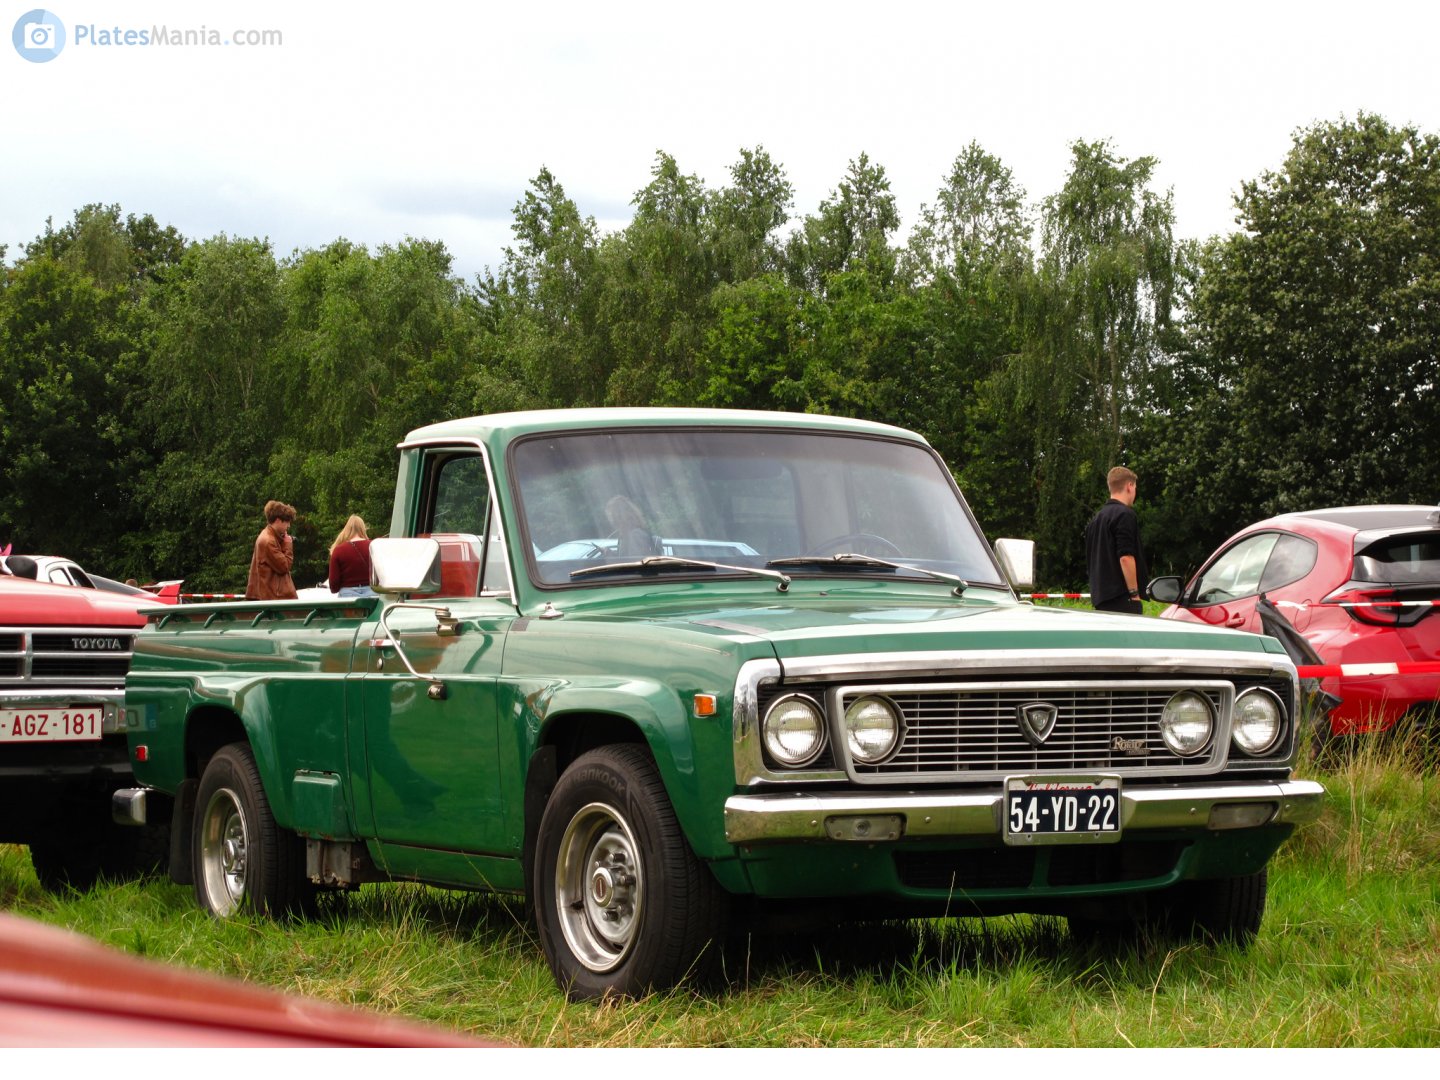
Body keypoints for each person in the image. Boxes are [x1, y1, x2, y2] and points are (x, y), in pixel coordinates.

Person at [1084, 466, 1148, 614]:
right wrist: (1134, 594)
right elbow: (1125, 557)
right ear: (1130, 486)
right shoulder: (1125, 515)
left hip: (1101, 600)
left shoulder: (1095, 521)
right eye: (1135, 487)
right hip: (1123, 599)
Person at [245, 500, 298, 601]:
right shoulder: (268, 541)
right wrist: (287, 543)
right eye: (287, 521)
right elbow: (284, 566)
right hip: (274, 598)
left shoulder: (269, 537)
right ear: (278, 520)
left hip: (273, 597)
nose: (289, 526)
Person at [328, 515, 374, 598]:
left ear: (346, 529)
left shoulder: (338, 550)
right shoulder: (374, 546)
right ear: (363, 528)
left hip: (348, 594)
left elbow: (333, 583)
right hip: (372, 592)